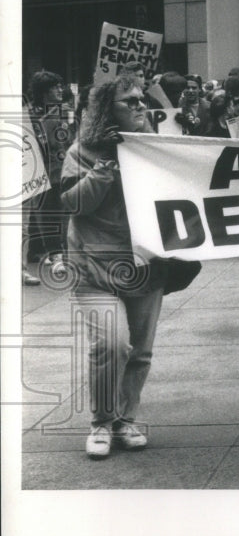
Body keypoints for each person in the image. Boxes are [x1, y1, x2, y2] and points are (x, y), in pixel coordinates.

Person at [60, 74, 165, 459]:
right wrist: (102, 171)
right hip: (93, 268)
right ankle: (102, 422)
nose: (140, 105)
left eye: (142, 99)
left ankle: (125, 419)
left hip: (145, 265)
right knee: (111, 343)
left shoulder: (157, 148)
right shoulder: (81, 151)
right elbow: (72, 204)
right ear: (108, 109)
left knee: (140, 351)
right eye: (130, 101)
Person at [26, 70, 76, 276]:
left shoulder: (64, 111)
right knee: (49, 214)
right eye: (54, 87)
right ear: (43, 91)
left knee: (58, 213)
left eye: (60, 86)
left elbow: (70, 139)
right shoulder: (32, 114)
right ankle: (55, 255)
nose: (60, 90)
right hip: (42, 171)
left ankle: (45, 251)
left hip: (62, 169)